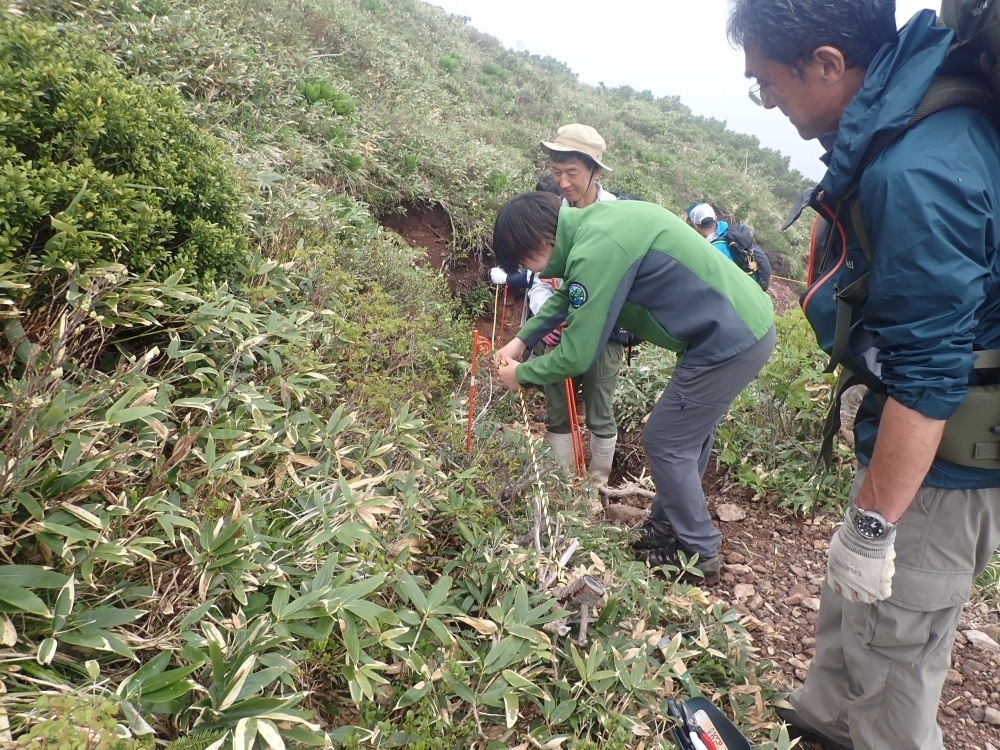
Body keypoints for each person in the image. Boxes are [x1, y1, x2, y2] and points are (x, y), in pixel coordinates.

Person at [727, 2, 1000, 749]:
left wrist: (874, 525)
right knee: (858, 612)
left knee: (894, 652)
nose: (767, 101)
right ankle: (823, 724)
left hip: (945, 461)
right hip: (924, 443)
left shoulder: (918, 168)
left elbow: (929, 376)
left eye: (767, 83)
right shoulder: (907, 125)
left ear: (825, 62)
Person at [492, 192, 775, 582]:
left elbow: (576, 356)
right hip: (736, 327)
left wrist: (521, 375)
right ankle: (665, 527)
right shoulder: (595, 225)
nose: (531, 272)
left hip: (729, 339)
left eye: (526, 263)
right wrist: (520, 341)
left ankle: (699, 553)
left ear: (540, 243)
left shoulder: (595, 250)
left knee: (666, 440)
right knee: (686, 438)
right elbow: (568, 297)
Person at [490, 126, 624, 485]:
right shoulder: (550, 213)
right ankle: (563, 485)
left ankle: (596, 484)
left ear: (595, 170)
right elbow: (539, 279)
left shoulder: (615, 215)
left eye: (572, 172)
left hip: (606, 332)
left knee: (599, 409)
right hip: (555, 330)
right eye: (556, 171)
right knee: (558, 411)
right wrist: (546, 322)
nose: (563, 182)